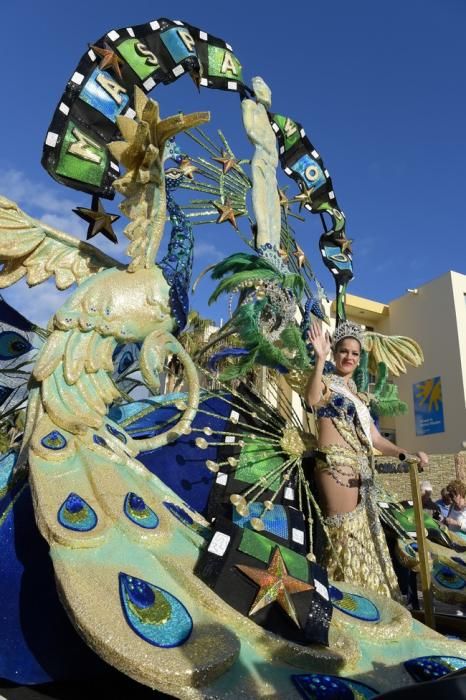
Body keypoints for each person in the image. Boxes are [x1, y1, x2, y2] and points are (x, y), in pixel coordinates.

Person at [305, 321, 428, 599]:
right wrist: (319, 359)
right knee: (345, 534)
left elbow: (376, 439)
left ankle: (368, 601)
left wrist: (404, 454)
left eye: (355, 354)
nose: (349, 357)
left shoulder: (360, 398)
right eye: (343, 351)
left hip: (363, 471)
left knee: (366, 542)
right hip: (336, 464)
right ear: (335, 353)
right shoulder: (324, 382)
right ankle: (340, 600)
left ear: (359, 360)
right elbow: (312, 400)